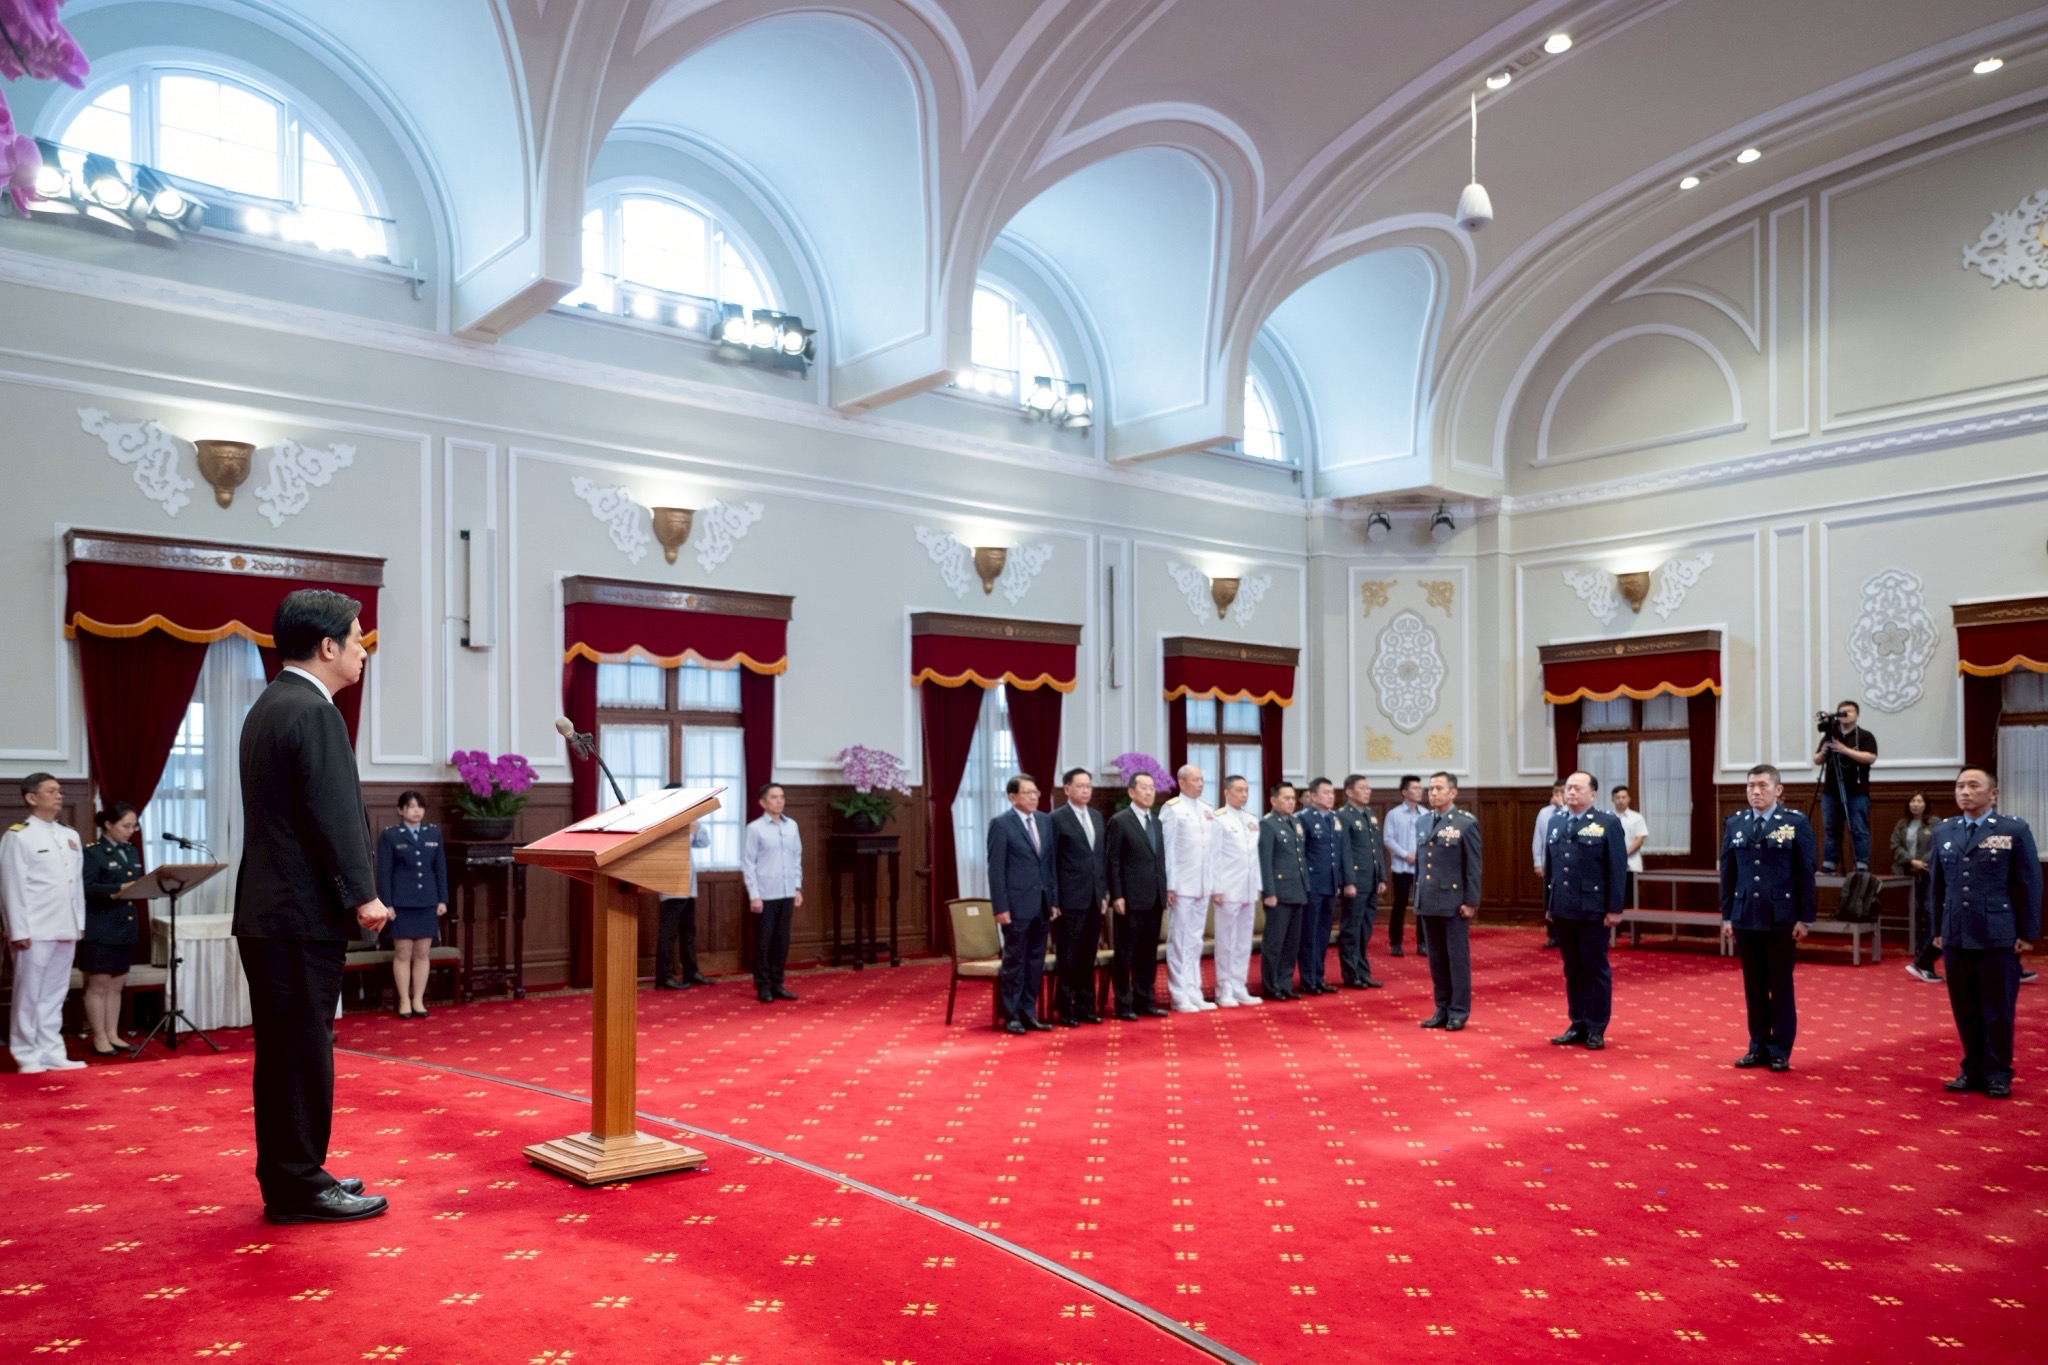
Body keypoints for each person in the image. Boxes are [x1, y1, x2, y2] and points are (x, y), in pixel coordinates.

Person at [234, 589, 391, 1224]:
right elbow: (332, 817)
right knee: (301, 1050)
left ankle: (294, 1172)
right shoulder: (314, 711)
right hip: (298, 914)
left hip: (272, 912)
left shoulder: (272, 704)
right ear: (327, 646)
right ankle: (299, 1185)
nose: (362, 651)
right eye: (357, 639)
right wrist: (365, 895)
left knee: (287, 1051)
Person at [1928, 767, 2040, 1099]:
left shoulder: (2012, 829)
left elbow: (2029, 883)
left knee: (1998, 1008)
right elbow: (1936, 886)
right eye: (1960, 786)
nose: (1964, 791)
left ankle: (1998, 1072)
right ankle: (1972, 1068)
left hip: (1997, 933)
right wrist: (1936, 929)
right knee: (1965, 1007)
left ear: (1993, 794)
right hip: (1956, 933)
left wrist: (2028, 932)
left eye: (1973, 785)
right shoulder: (1944, 830)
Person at [1718, 764, 1817, 1073]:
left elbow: (1805, 873)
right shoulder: (1736, 823)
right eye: (1750, 786)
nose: (1755, 791)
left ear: (1778, 790)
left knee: (1780, 985)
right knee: (1754, 986)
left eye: (1762, 785)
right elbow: (1728, 873)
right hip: (1746, 915)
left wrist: (1805, 918)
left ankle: (1780, 1049)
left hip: (1781, 918)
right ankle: (1757, 1044)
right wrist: (1727, 916)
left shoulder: (1794, 822)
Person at [3, 773, 86, 1074]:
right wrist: (18, 929)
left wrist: (79, 923)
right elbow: (12, 886)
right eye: (51, 791)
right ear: (31, 797)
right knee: (29, 994)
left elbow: (74, 885)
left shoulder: (69, 836)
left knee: (54, 993)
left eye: (60, 791)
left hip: (64, 925)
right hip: (34, 929)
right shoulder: (19, 835)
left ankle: (52, 1050)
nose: (59, 795)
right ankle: (26, 1054)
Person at [1542, 773, 1629, 1050]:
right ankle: (1577, 1022)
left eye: (1578, 788)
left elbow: (1616, 868)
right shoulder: (1556, 822)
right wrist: (1549, 904)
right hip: (1563, 908)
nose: (1571, 792)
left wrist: (1614, 908)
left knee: (1595, 969)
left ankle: (1595, 1027)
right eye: (1568, 788)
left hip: (1593, 910)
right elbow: (1550, 867)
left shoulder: (1607, 823)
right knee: (1572, 968)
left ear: (1593, 794)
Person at [987, 773, 1057, 1034]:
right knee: (1014, 962)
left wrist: (1054, 900)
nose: (1033, 797)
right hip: (1015, 906)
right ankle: (1011, 1015)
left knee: (1035, 961)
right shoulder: (1001, 824)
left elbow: (1048, 864)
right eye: (1027, 793)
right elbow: (996, 870)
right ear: (1012, 797)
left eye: (1036, 792)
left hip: (1042, 904)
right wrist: (1000, 907)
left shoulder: (1045, 821)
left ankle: (1029, 1012)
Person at [1415, 772, 1482, 1031]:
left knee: (1456, 959)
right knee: (1436, 959)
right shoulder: (1422, 822)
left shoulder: (1465, 823)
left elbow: (1473, 867)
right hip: (1428, 899)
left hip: (1454, 901)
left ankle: (1458, 1010)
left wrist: (1471, 901)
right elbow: (1422, 865)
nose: (1433, 793)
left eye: (1439, 789)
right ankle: (1441, 1007)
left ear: (1453, 793)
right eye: (1430, 789)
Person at [374, 790, 448, 1020]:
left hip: (426, 900)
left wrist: (442, 899)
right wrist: (387, 904)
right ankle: (404, 999)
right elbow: (384, 872)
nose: (416, 810)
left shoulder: (433, 832)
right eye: (411, 806)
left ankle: (418, 999)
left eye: (420, 806)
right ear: (401, 810)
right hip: (401, 902)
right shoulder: (391, 836)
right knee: (403, 952)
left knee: (423, 952)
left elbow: (440, 869)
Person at [78, 802, 142, 1056]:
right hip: (100, 926)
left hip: (124, 925)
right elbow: (85, 887)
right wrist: (117, 890)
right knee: (99, 984)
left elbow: (134, 882)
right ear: (108, 824)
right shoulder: (92, 852)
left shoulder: (131, 851)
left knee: (117, 984)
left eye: (133, 826)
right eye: (125, 825)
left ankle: (113, 1033)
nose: (130, 831)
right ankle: (100, 1036)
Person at [1105, 772, 1169, 1020]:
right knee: (1125, 954)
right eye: (1144, 788)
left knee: (1147, 954)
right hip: (1130, 900)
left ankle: (1145, 1000)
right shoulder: (1120, 821)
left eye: (1152, 788)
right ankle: (1124, 1004)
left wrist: (1164, 890)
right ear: (1131, 792)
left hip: (1154, 898)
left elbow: (1159, 861)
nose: (1149, 792)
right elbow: (1113, 862)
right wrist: (1117, 895)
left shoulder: (1157, 822)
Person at [1048, 768, 1107, 1026]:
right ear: (1067, 788)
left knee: (1088, 955)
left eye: (1088, 786)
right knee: (1069, 955)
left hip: (1094, 897)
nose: (1085, 790)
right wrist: (1055, 899)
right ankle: (1066, 1006)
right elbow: (1051, 862)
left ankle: (1086, 1006)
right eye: (1080, 786)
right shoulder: (1056, 819)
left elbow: (1100, 859)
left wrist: (1103, 892)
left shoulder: (1096, 817)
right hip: (1069, 898)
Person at [1159, 764, 1218, 1011]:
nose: (1200, 783)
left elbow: (1212, 850)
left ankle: (1194, 991)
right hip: (1182, 885)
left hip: (1202, 884)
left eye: (1202, 779)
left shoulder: (1207, 809)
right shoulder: (1172, 809)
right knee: (1180, 941)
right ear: (1182, 783)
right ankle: (1178, 993)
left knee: (1195, 941)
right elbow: (1167, 849)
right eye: (1195, 779)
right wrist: (1170, 885)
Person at [740, 783, 803, 1003]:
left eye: (782, 797)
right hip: (765, 894)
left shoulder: (792, 826)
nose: (779, 801)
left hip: (786, 892)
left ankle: (778, 983)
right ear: (763, 802)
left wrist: (797, 887)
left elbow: (796, 858)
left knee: (781, 941)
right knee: (763, 942)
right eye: (774, 797)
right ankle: (763, 986)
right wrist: (754, 894)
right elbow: (749, 864)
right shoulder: (755, 828)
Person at [1209, 775, 1263, 1007]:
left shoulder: (1252, 819)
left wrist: (1258, 886)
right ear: (1226, 793)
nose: (1244, 794)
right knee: (1226, 941)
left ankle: (1239, 985)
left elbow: (1254, 857)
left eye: (1246, 790)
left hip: (1248, 888)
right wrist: (1216, 887)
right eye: (1239, 790)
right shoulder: (1218, 819)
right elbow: (1213, 856)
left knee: (1243, 941)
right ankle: (1224, 989)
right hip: (1228, 888)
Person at [1812, 700, 1878, 873]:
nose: (1845, 714)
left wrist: (1844, 750)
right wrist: (1825, 751)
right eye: (1842, 711)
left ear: (1857, 715)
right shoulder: (1830, 735)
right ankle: (1829, 864)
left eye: (1849, 711)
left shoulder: (1865, 736)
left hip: (1857, 791)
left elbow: (1870, 757)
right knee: (1831, 828)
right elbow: (1817, 760)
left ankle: (1861, 865)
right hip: (1830, 791)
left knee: (1858, 828)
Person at [1296, 778, 1348, 995]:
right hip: (1312, 886)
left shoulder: (1335, 819)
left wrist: (1341, 882)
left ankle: (1319, 976)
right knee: (1309, 934)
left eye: (1332, 792)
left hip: (1330, 886)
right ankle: (1308, 979)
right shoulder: (1303, 819)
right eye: (1325, 793)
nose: (1330, 796)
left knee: (1323, 935)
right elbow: (1301, 855)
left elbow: (1339, 854)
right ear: (1313, 796)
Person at [655, 803, 714, 990]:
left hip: (688, 884)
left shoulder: (689, 820)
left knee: (688, 929)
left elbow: (704, 843)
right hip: (671, 884)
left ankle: (691, 972)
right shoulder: (661, 823)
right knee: (669, 933)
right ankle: (664, 977)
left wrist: (695, 829)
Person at [1336, 774, 1387, 989]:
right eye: (1363, 788)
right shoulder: (1343, 816)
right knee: (1351, 929)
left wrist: (1382, 876)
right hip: (1355, 882)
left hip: (1371, 880)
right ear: (1349, 792)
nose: (1368, 791)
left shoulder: (1369, 814)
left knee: (1365, 928)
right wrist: (1348, 881)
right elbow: (1344, 853)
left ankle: (1363, 971)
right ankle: (1351, 974)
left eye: (1368, 788)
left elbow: (1377, 848)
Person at [1258, 781, 1307, 1001]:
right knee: (1274, 943)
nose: (1290, 802)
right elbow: (1265, 861)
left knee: (1292, 943)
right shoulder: (1267, 824)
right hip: (1278, 892)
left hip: (1297, 890)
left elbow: (1300, 858)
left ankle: (1285, 983)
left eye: (1292, 798)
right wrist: (1268, 892)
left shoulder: (1295, 822)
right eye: (1285, 798)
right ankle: (1271, 985)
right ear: (1273, 800)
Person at [1893, 793, 1939, 984]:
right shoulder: (1902, 823)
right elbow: (1894, 845)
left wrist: (1922, 862)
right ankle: (1917, 946)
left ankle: (1927, 947)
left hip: (1928, 871)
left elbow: (1937, 845)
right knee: (1915, 908)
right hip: (1907, 871)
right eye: (1912, 801)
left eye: (1919, 801)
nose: (1915, 804)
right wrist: (1910, 861)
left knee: (1929, 909)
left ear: (1925, 804)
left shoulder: (1934, 822)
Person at [1382, 775, 1426, 956]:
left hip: (1421, 868)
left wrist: (1420, 855)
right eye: (1414, 788)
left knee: (1422, 906)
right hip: (1401, 868)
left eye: (1420, 788)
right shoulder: (1394, 814)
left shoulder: (1426, 814)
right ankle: (1396, 942)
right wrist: (1405, 854)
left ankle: (1423, 943)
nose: (1419, 791)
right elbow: (1388, 839)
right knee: (1399, 905)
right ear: (1404, 792)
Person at [1533, 780, 1565, 949]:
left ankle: (1565, 936)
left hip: (1567, 867)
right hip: (1549, 865)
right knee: (1549, 901)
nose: (1558, 795)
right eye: (1556, 791)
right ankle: (1552, 935)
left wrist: (1563, 808)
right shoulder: (1544, 813)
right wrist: (1538, 862)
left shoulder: (1573, 813)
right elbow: (1538, 838)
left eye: (1562, 791)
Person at [1611, 784, 1648, 906]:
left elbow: (1639, 839)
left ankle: (1633, 924)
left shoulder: (1636, 817)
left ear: (1629, 799)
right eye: (1618, 797)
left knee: (1631, 898)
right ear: (1613, 799)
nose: (1621, 800)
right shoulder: (1608, 818)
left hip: (1631, 865)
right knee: (1614, 898)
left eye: (1623, 797)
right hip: (1611, 865)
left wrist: (1622, 855)